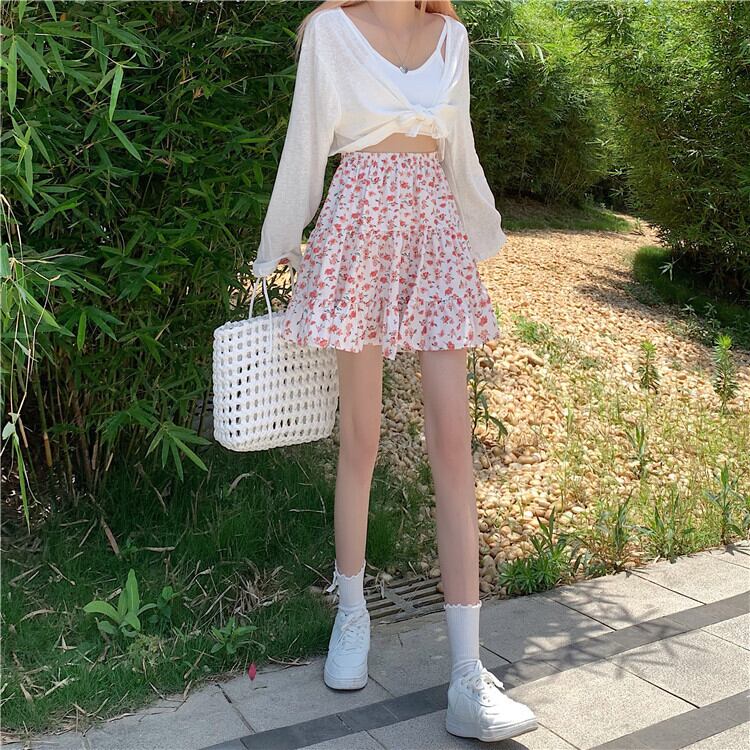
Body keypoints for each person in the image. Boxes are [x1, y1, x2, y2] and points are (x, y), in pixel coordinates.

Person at [252, 1, 538, 742]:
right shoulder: (331, 32)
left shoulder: (452, 38)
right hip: (360, 228)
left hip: (433, 232)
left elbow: (459, 150)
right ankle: (351, 612)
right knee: (362, 437)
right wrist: (280, 242)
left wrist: (477, 233)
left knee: (453, 445)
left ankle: (469, 676)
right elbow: (305, 144)